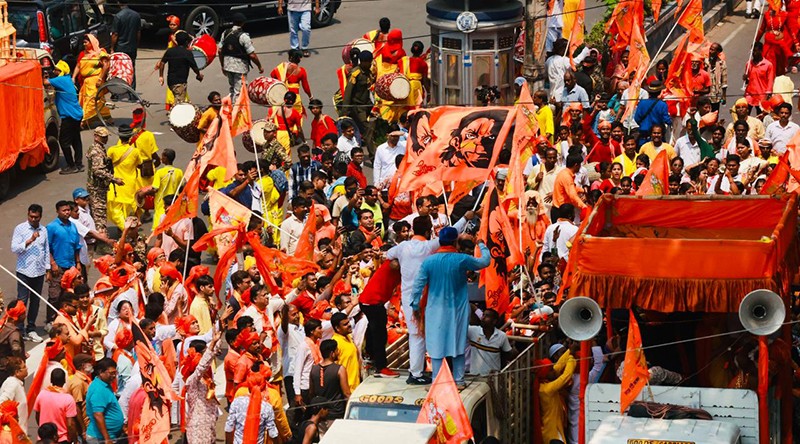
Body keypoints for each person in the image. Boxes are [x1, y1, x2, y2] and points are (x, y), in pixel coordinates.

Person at [410, 227, 490, 384]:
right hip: (458, 309)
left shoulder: (428, 261)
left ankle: (437, 382)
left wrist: (415, 306)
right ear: (455, 242)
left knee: (436, 346)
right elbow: (485, 261)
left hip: (434, 311)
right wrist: (481, 245)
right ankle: (459, 380)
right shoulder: (461, 259)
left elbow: (417, 286)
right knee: (458, 342)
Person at [11, 204, 48, 342]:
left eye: (36, 217)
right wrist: (29, 240)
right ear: (28, 215)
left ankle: (31, 328)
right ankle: (20, 330)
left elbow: (46, 250)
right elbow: (14, 248)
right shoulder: (20, 229)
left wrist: (48, 269)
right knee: (22, 301)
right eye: (31, 216)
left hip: (39, 271)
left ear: (40, 217)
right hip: (24, 271)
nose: (33, 219)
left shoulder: (44, 230)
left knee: (35, 301)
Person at [46, 201, 82, 327]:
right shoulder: (51, 227)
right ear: (57, 211)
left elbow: (77, 247)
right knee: (55, 295)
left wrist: (77, 263)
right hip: (58, 266)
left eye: (68, 210)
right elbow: (47, 248)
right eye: (64, 210)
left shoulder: (73, 226)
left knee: (69, 295)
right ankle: (50, 320)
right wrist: (52, 263)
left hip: (71, 266)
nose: (67, 212)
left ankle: (67, 319)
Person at [44, 62, 84, 174]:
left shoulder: (61, 80)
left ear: (61, 71)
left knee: (64, 141)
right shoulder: (67, 79)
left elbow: (45, 82)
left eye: (56, 70)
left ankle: (71, 165)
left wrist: (44, 76)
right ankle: (78, 164)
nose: (54, 72)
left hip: (69, 116)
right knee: (76, 139)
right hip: (77, 114)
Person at [106, 125, 146, 230]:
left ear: (119, 136)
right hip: (130, 184)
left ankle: (124, 228)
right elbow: (140, 165)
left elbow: (106, 165)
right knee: (129, 209)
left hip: (116, 184)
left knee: (116, 209)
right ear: (130, 137)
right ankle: (128, 228)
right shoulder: (135, 151)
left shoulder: (112, 150)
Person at [218, 13, 264, 100]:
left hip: (228, 65)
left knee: (233, 89)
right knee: (239, 92)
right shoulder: (244, 36)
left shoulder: (225, 33)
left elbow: (220, 51)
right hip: (240, 67)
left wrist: (222, 65)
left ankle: (232, 108)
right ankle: (237, 111)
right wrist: (259, 66)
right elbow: (252, 55)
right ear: (243, 23)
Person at [86, 127, 122, 236]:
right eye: (103, 137)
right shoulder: (96, 151)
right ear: (96, 137)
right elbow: (98, 171)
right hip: (97, 189)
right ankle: (102, 242)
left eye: (106, 137)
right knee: (100, 216)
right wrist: (114, 179)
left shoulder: (99, 148)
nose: (105, 139)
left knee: (97, 214)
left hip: (98, 187)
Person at [343, 51, 376, 157]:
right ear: (363, 62)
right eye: (369, 62)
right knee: (367, 130)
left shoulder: (368, 72)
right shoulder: (355, 74)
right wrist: (344, 111)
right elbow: (348, 93)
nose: (371, 64)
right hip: (358, 108)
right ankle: (373, 156)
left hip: (367, 106)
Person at [33, 368, 79, 444]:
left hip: (43, 438)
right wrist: (75, 440)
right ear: (64, 381)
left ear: (51, 380)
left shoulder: (41, 395)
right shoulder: (68, 399)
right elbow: (71, 424)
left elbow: (37, 415)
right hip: (62, 440)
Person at [73, 35, 110, 127]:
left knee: (91, 100)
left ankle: (84, 120)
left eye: (86, 42)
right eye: (84, 42)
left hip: (95, 81)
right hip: (86, 82)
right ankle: (107, 117)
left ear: (92, 42)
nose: (84, 44)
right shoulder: (83, 54)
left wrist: (100, 78)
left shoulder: (100, 53)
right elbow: (78, 66)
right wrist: (73, 77)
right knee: (87, 100)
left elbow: (106, 65)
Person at [309, 339, 350, 420]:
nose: (338, 353)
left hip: (320, 415)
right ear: (332, 354)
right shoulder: (340, 369)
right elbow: (347, 394)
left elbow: (311, 393)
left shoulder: (314, 369)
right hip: (336, 414)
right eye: (337, 350)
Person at [158, 31, 203, 104]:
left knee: (179, 100)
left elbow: (162, 63)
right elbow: (194, 67)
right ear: (186, 42)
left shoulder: (170, 51)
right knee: (180, 104)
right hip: (179, 83)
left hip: (171, 81)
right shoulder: (187, 53)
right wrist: (198, 75)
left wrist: (161, 76)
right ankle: (174, 114)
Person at [86, 358, 124, 443]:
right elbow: (98, 414)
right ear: (100, 372)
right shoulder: (98, 389)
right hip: (100, 438)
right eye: (111, 373)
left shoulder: (104, 384)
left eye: (115, 373)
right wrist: (107, 438)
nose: (114, 376)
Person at [468, 308, 514, 376]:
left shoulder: (501, 336)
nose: (483, 318)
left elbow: (509, 354)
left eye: (487, 316)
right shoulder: (473, 331)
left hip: (494, 378)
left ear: (494, 321)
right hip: (475, 377)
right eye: (483, 315)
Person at [271, 49, 314, 118]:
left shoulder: (282, 66)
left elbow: (272, 75)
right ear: (299, 59)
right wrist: (310, 97)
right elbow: (306, 87)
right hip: (295, 98)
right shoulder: (301, 71)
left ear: (290, 57)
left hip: (282, 96)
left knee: (282, 117)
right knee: (296, 117)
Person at [110, 1, 141, 87]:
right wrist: (136, 45)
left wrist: (112, 48)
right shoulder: (136, 15)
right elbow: (138, 33)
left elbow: (115, 34)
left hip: (120, 48)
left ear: (118, 2)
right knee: (131, 68)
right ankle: (132, 91)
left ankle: (116, 92)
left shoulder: (118, 16)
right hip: (132, 47)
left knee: (117, 69)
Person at [551, 154, 588, 220]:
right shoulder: (567, 176)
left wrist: (583, 191)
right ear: (576, 165)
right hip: (561, 211)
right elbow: (572, 195)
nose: (580, 167)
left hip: (560, 209)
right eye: (580, 165)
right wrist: (583, 206)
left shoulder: (564, 173)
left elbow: (572, 188)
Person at [744, 42, 775, 113]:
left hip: (762, 95)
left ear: (761, 51)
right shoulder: (748, 64)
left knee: (760, 116)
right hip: (749, 94)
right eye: (752, 51)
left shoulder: (768, 65)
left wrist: (767, 95)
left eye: (755, 51)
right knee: (745, 114)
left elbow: (770, 81)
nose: (753, 53)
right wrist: (745, 78)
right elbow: (748, 81)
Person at [0, 357, 27, 421]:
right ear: (17, 372)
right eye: (24, 367)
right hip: (15, 428)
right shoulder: (12, 384)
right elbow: (2, 402)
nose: (26, 369)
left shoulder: (15, 382)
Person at [707, 43, 728, 111]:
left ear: (717, 52)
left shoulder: (722, 64)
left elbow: (724, 81)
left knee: (714, 115)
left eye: (712, 50)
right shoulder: (705, 62)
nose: (710, 51)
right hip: (705, 95)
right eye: (710, 49)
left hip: (715, 96)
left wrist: (724, 96)